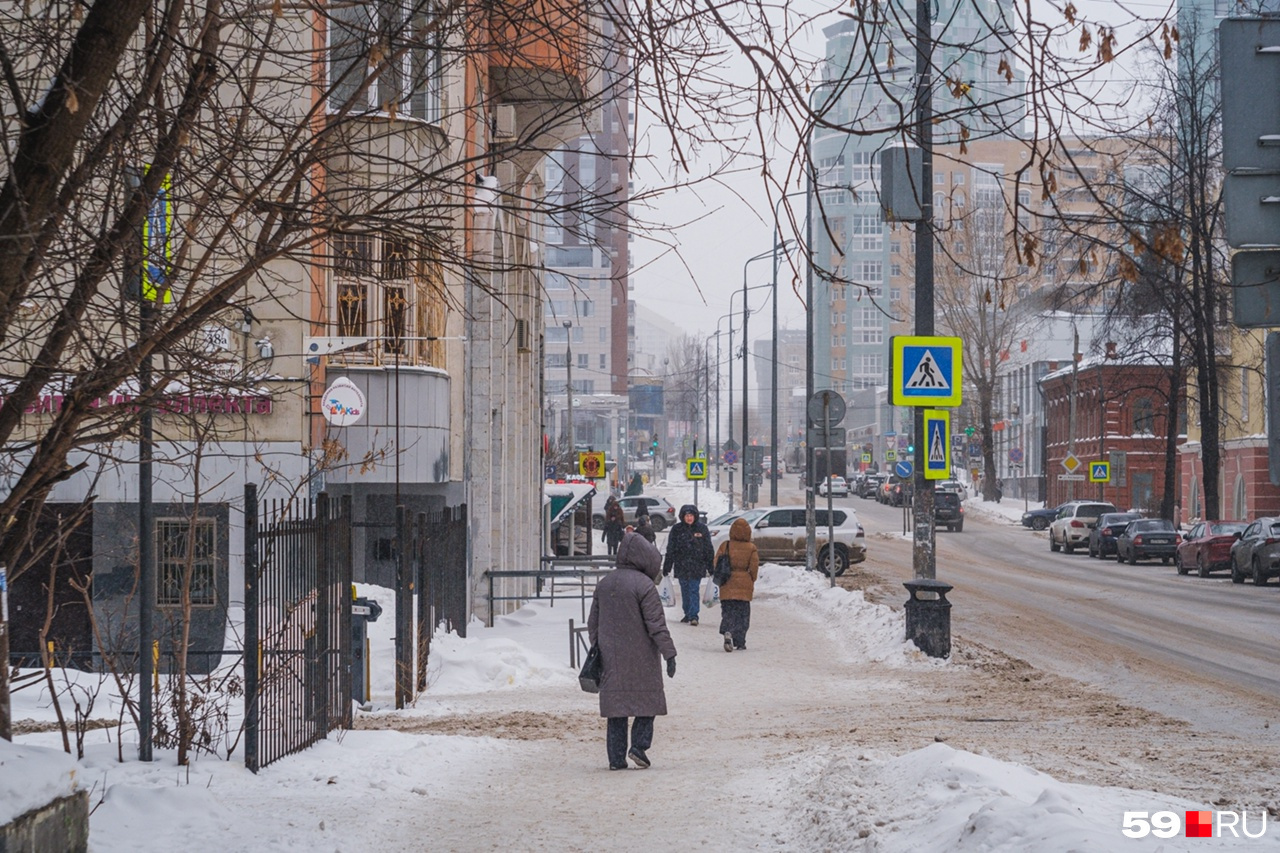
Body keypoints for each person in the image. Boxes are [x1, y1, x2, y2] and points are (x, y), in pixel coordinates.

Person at [588, 531, 677, 770]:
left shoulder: (605, 583)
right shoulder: (644, 586)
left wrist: (597, 648)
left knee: (617, 708)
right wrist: (669, 654)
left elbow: (592, 622)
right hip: (642, 658)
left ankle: (616, 759)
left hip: (611, 658)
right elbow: (656, 625)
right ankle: (638, 746)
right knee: (647, 701)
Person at [662, 504, 713, 626]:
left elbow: (708, 549)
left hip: (697, 565)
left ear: (695, 516)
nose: (689, 518)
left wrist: (710, 566)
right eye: (687, 516)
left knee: (694, 589)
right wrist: (667, 566)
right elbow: (671, 549)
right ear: (682, 517)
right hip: (682, 565)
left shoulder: (702, 529)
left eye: (691, 515)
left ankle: (694, 615)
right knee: (685, 590)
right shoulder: (677, 530)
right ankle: (687, 612)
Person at [714, 517, 760, 652]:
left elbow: (716, 562)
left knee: (728, 612)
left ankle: (728, 630)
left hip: (727, 583)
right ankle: (740, 641)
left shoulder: (726, 545)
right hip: (744, 585)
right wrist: (751, 579)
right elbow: (754, 567)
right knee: (743, 615)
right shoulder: (751, 548)